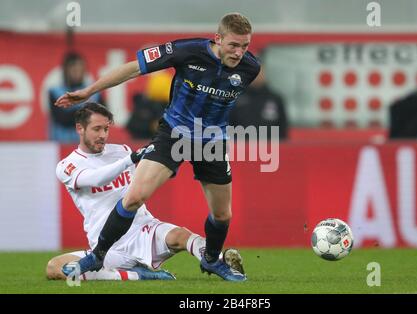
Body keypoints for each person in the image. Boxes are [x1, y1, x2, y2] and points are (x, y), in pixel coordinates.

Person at [55, 13, 260, 282]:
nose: (239, 52)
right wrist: (89, 90)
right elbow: (133, 68)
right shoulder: (187, 51)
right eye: (233, 45)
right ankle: (98, 255)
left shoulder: (250, 68)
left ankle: (211, 259)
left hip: (212, 141)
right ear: (218, 38)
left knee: (222, 215)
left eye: (245, 46)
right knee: (134, 196)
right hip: (173, 134)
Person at [48, 102, 244, 281]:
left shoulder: (120, 150)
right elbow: (97, 178)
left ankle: (221, 261)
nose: (102, 135)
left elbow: (146, 179)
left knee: (181, 236)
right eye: (96, 129)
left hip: (143, 229)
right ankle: (136, 275)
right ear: (79, 129)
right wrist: (130, 159)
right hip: (108, 245)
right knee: (55, 268)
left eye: (106, 129)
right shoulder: (67, 165)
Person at [49, 52, 104, 143]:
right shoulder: (55, 92)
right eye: (74, 68)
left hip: (89, 146)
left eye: (80, 68)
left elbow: (102, 119)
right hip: (61, 146)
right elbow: (62, 119)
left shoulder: (94, 92)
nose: (77, 72)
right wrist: (88, 109)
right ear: (65, 70)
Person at [229, 66, 288, 140]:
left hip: (270, 149)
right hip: (242, 148)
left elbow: (282, 128)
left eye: (259, 72)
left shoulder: (275, 99)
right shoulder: (236, 98)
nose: (257, 76)